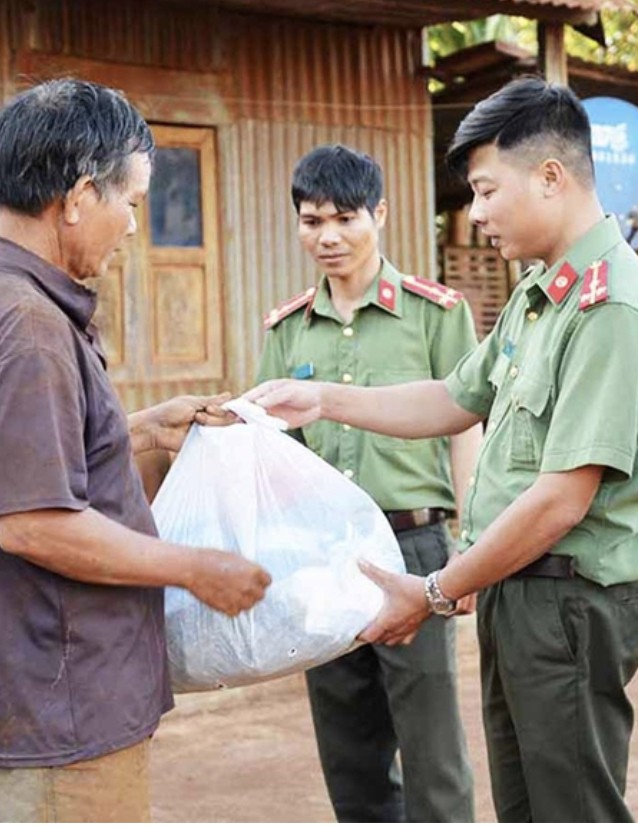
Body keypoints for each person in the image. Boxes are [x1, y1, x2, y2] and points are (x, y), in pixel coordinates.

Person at [246, 78, 638, 822]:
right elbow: (455, 398)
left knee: (570, 810)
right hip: (522, 589)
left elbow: (561, 499)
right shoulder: (541, 292)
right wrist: (323, 399)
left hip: (570, 598)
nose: (475, 214)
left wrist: (437, 589)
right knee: (524, 808)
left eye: (485, 191)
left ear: (550, 176)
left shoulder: (611, 308)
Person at [0, 79, 270, 823]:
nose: (134, 227)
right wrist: (199, 569)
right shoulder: (28, 326)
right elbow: (34, 522)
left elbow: (15, 459)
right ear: (77, 197)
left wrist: (138, 429)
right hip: (57, 709)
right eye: (132, 203)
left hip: (17, 692)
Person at [255, 144, 478, 822]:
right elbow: (275, 448)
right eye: (311, 220)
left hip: (413, 548)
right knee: (349, 748)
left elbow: (466, 424)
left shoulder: (435, 313)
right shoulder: (287, 327)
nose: (327, 237)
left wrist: (471, 542)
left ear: (379, 214)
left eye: (345, 218)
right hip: (324, 556)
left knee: (431, 743)